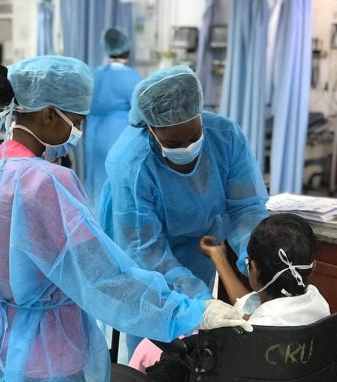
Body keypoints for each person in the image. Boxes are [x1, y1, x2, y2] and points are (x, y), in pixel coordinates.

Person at [0, 55, 251, 382]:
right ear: (46, 114)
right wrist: (191, 311)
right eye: (74, 120)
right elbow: (106, 279)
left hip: (1, 346)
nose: (76, 132)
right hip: (49, 357)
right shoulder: (44, 184)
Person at [99, 64, 269, 360]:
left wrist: (255, 260)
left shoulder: (225, 138)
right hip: (143, 252)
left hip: (198, 241)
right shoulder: (131, 163)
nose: (187, 148)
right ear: (151, 129)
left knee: (197, 348)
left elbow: (246, 208)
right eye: (174, 143)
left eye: (194, 136)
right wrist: (201, 302)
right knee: (155, 347)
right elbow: (146, 250)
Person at [140, 214, 331, 382]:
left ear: (253, 270)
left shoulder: (246, 339)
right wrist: (219, 259)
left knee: (152, 352)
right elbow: (249, 308)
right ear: (312, 267)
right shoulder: (319, 304)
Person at [84, 27, 141, 212]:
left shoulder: (95, 74)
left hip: (93, 132)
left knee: (95, 178)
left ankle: (94, 220)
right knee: (117, 178)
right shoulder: (132, 77)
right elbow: (140, 111)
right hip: (118, 132)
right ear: (127, 50)